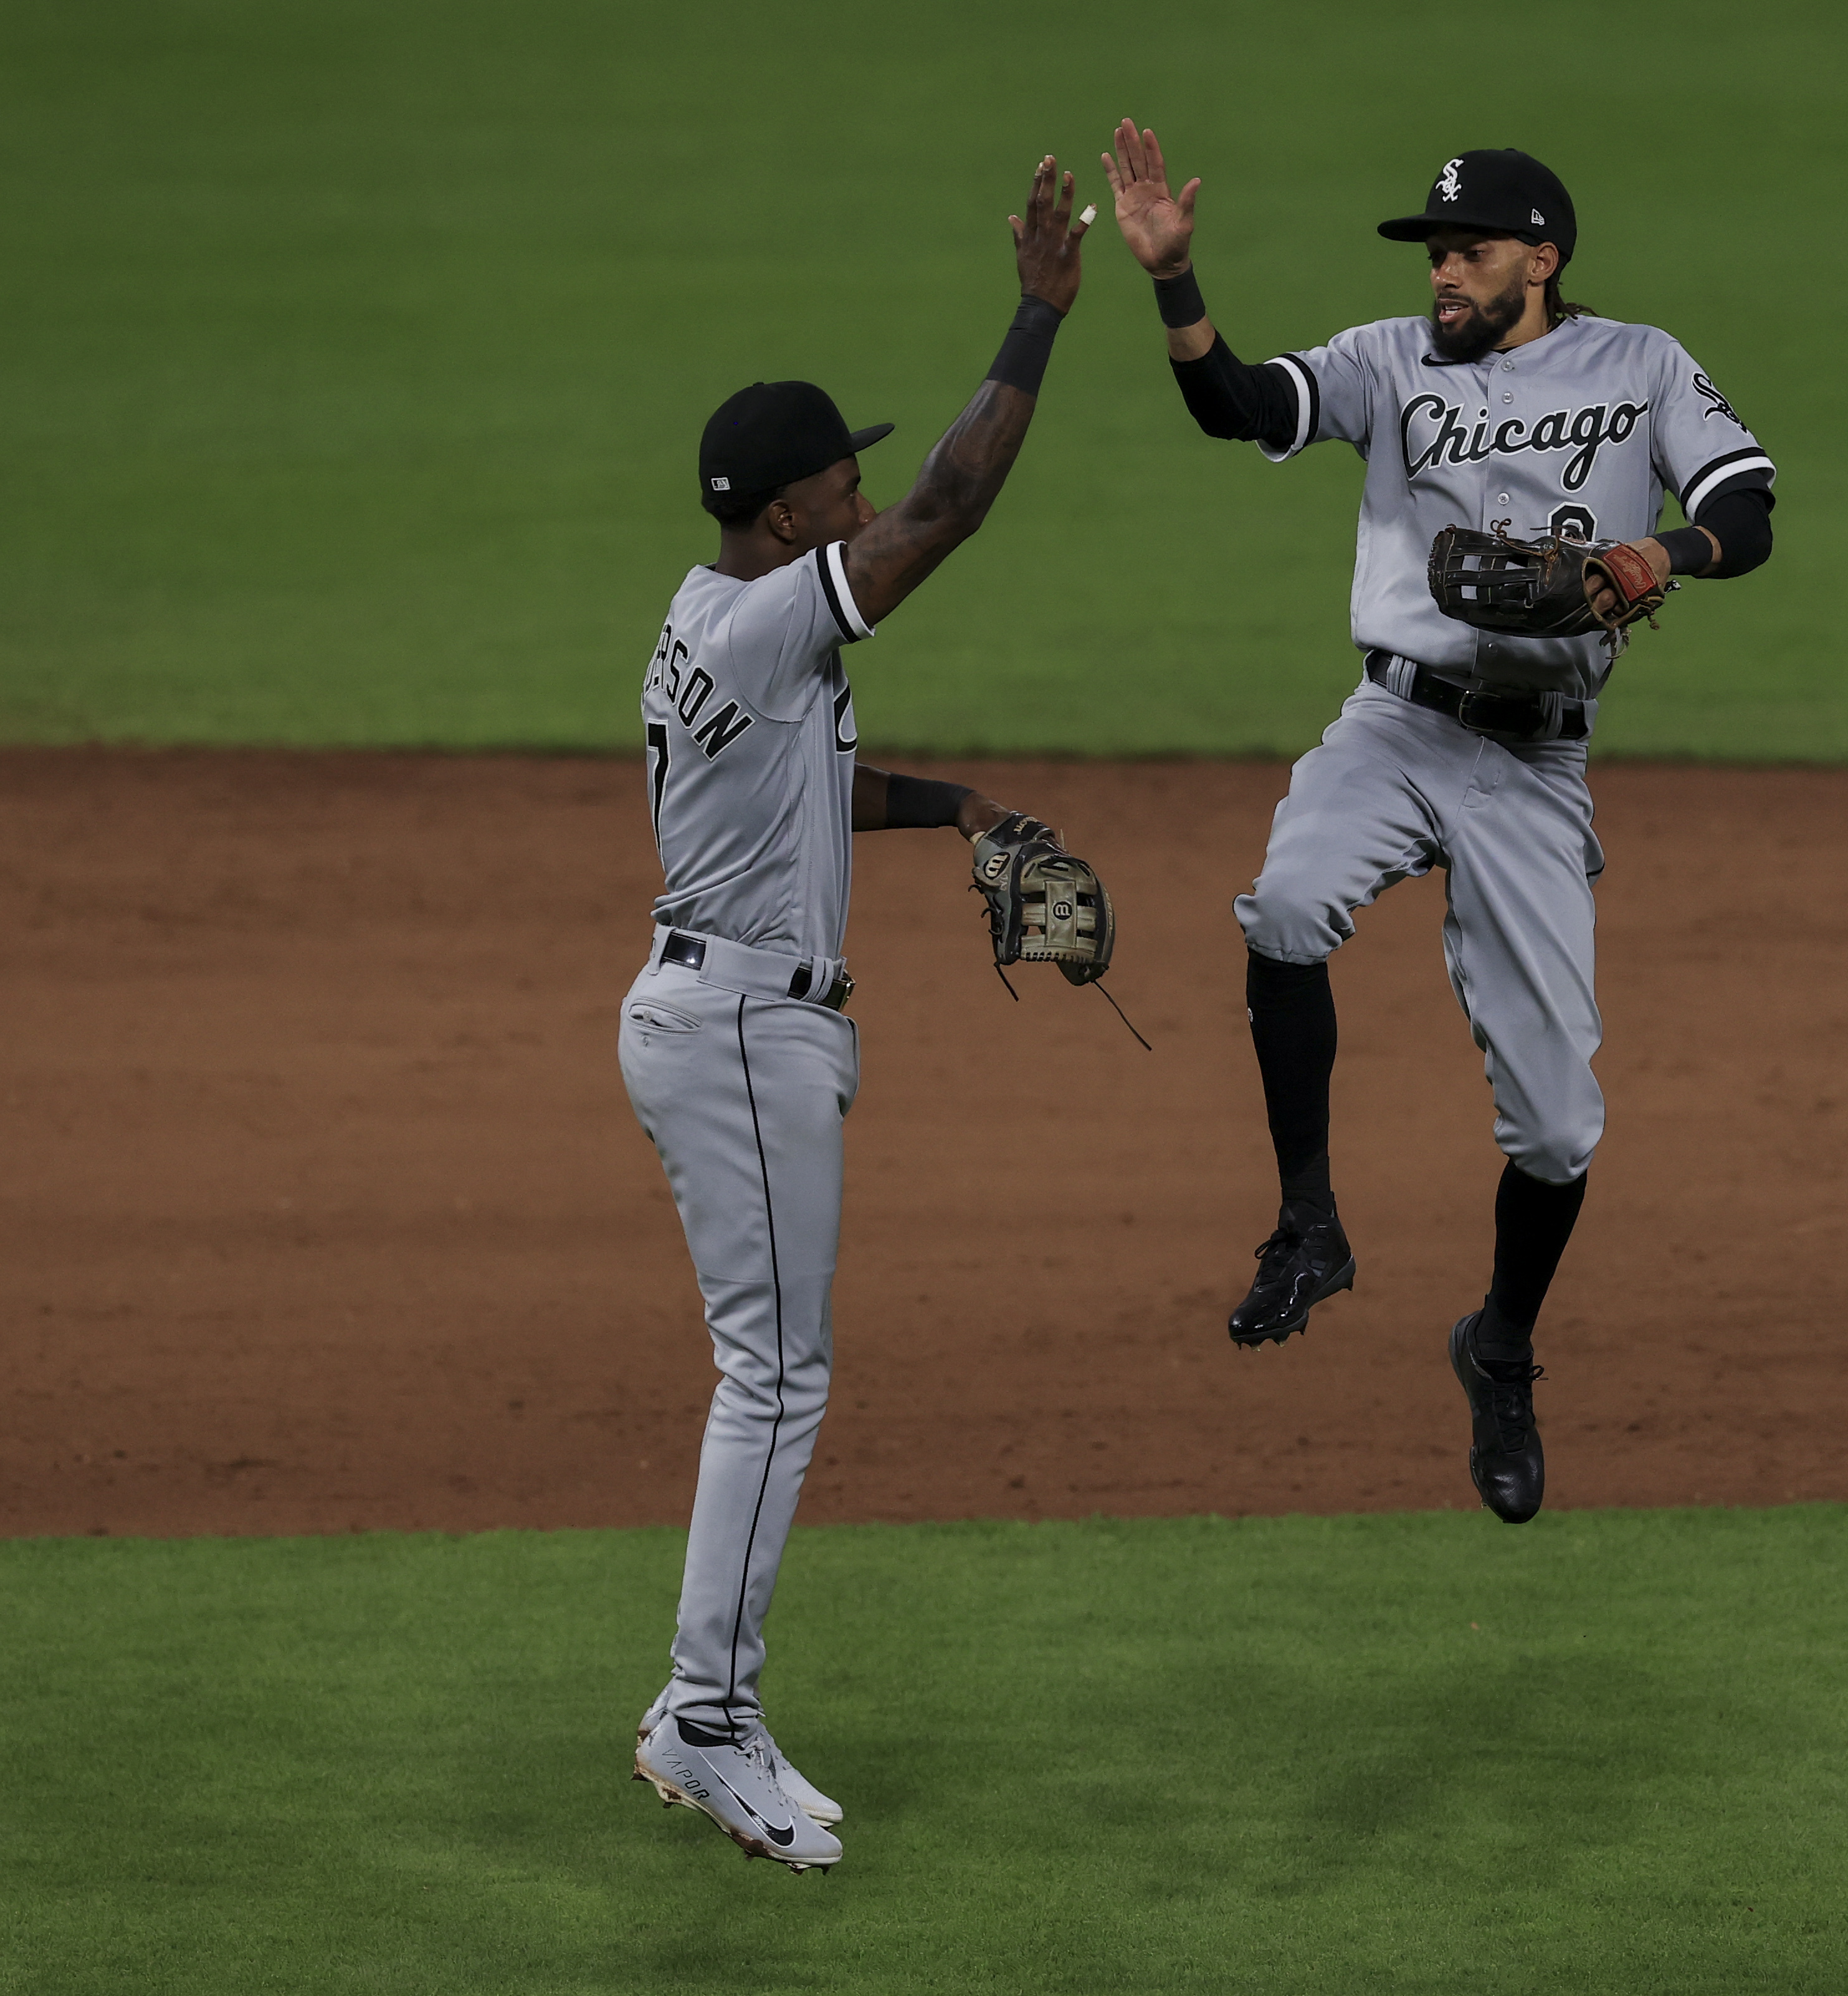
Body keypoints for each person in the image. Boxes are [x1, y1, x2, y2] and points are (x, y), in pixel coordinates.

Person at [1099, 124, 1778, 1524]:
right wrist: (1175, 280)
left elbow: (1748, 508)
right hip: (1395, 726)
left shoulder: (1642, 364)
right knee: (1285, 905)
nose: (1445, 274)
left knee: (1556, 1132)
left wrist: (1667, 550)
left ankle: (1502, 1348)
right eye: (1434, 252)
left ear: (1544, 257)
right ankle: (1309, 1224)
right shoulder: (1386, 363)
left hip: (1534, 768)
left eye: (1468, 251)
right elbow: (1238, 405)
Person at [619, 158, 1090, 1871]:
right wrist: (1037, 315)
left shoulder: (711, 626)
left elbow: (812, 793)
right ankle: (707, 1716)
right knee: (777, 1375)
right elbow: (951, 509)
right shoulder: (760, 624)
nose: (870, 487)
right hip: (741, 1030)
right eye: (845, 478)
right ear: (791, 507)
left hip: (733, 1015)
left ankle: (709, 1706)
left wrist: (954, 801)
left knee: (778, 1369)